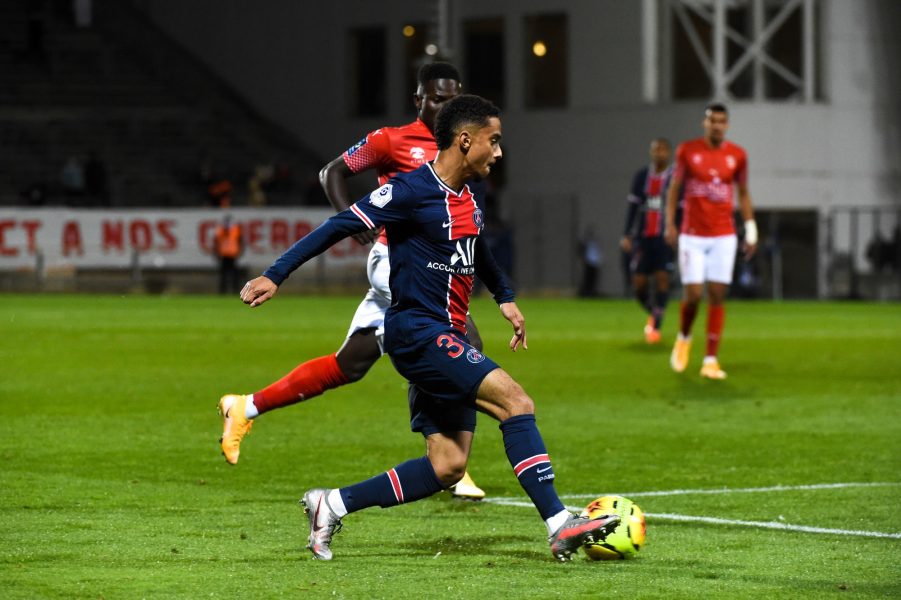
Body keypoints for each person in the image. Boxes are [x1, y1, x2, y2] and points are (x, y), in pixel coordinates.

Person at [238, 94, 620, 562]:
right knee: (516, 403)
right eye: (493, 141)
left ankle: (330, 504)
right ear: (465, 140)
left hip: (446, 333)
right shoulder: (410, 191)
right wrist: (275, 273)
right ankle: (560, 523)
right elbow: (337, 226)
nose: (499, 152)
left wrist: (504, 298)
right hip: (417, 332)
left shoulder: (470, 198)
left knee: (448, 466)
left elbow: (477, 251)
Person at [217, 62, 487, 499]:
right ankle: (453, 456)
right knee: (459, 339)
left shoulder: (461, 147)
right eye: (437, 98)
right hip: (395, 262)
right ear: (417, 100)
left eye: (453, 98)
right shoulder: (391, 140)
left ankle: (244, 406)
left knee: (351, 364)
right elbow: (332, 173)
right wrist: (358, 222)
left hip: (425, 267)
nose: (445, 105)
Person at [665, 103, 757, 379]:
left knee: (717, 294)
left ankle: (710, 360)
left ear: (726, 125)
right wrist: (670, 224)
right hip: (692, 235)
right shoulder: (688, 151)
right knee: (693, 294)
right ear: (705, 123)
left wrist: (751, 229)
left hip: (723, 235)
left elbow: (743, 193)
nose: (716, 125)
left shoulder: (737, 156)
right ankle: (683, 337)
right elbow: (674, 189)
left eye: (721, 121)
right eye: (712, 120)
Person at [620, 138, 674, 343]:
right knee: (639, 283)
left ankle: (656, 327)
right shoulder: (642, 176)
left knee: (662, 279)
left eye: (663, 150)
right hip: (644, 238)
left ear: (668, 153)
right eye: (656, 150)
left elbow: (679, 208)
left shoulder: (674, 178)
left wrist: (676, 230)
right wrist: (627, 233)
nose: (659, 153)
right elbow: (633, 207)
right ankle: (655, 311)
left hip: (664, 238)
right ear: (651, 152)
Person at [213, 214, 242, 294]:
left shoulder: (235, 230)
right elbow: (216, 243)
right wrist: (216, 254)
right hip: (224, 255)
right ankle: (223, 291)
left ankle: (235, 291)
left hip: (232, 255)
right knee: (224, 275)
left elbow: (240, 242)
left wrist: (239, 252)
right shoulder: (221, 230)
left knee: (233, 275)